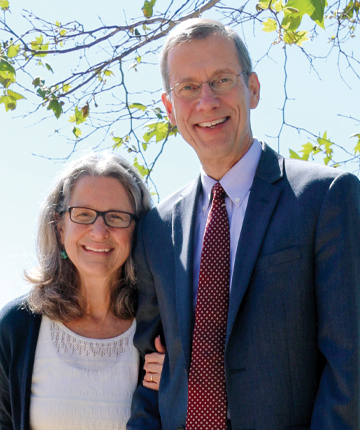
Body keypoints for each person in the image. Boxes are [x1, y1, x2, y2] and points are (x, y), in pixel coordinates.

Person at [127, 18, 360, 430]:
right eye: (188, 88)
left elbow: (351, 363)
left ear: (252, 89)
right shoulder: (156, 230)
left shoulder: (326, 197)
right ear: (169, 107)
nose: (206, 101)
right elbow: (150, 371)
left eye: (221, 80)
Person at [0, 152, 164, 430]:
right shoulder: (17, 327)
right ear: (60, 227)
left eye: (116, 217)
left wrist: (182, 388)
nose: (99, 231)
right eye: (84, 214)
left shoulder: (162, 329)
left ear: (139, 230)